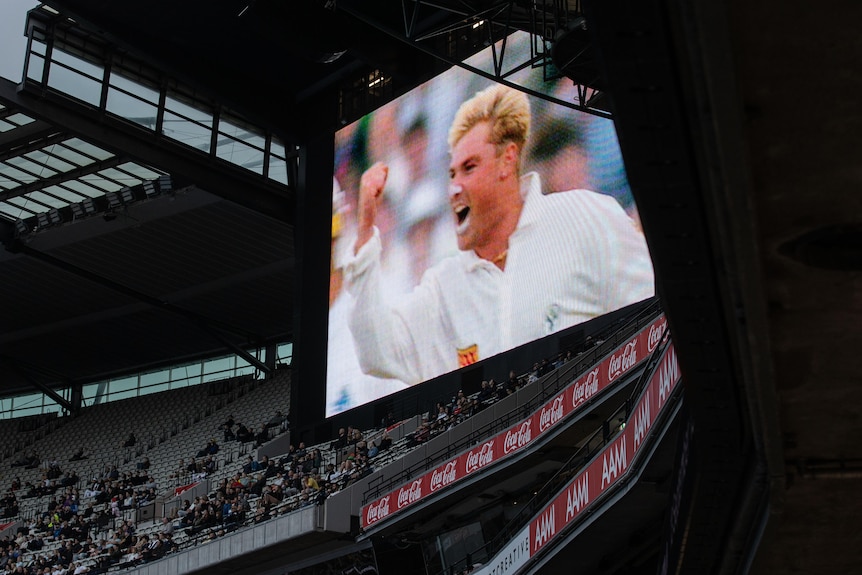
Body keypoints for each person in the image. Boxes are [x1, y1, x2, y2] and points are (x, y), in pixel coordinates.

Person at [343, 84, 655, 385]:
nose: (454, 187)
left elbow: (653, 312)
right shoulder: (445, 286)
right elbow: (377, 351)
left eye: (469, 168)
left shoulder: (583, 214)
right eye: (451, 174)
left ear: (507, 162)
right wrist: (365, 239)